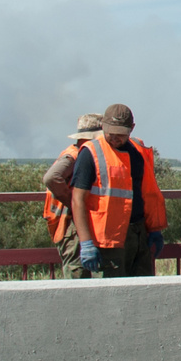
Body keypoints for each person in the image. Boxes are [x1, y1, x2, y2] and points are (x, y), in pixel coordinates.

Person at [68, 103, 168, 278]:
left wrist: (154, 229)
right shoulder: (90, 152)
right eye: (110, 133)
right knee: (111, 298)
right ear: (103, 127)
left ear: (131, 129)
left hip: (138, 235)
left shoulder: (138, 150)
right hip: (107, 242)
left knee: (143, 292)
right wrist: (86, 243)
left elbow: (147, 192)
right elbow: (78, 200)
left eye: (120, 134)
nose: (115, 138)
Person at [42, 113, 103, 275]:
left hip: (71, 224)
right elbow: (51, 178)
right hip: (71, 225)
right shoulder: (76, 155)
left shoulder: (77, 152)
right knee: (77, 275)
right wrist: (75, 204)